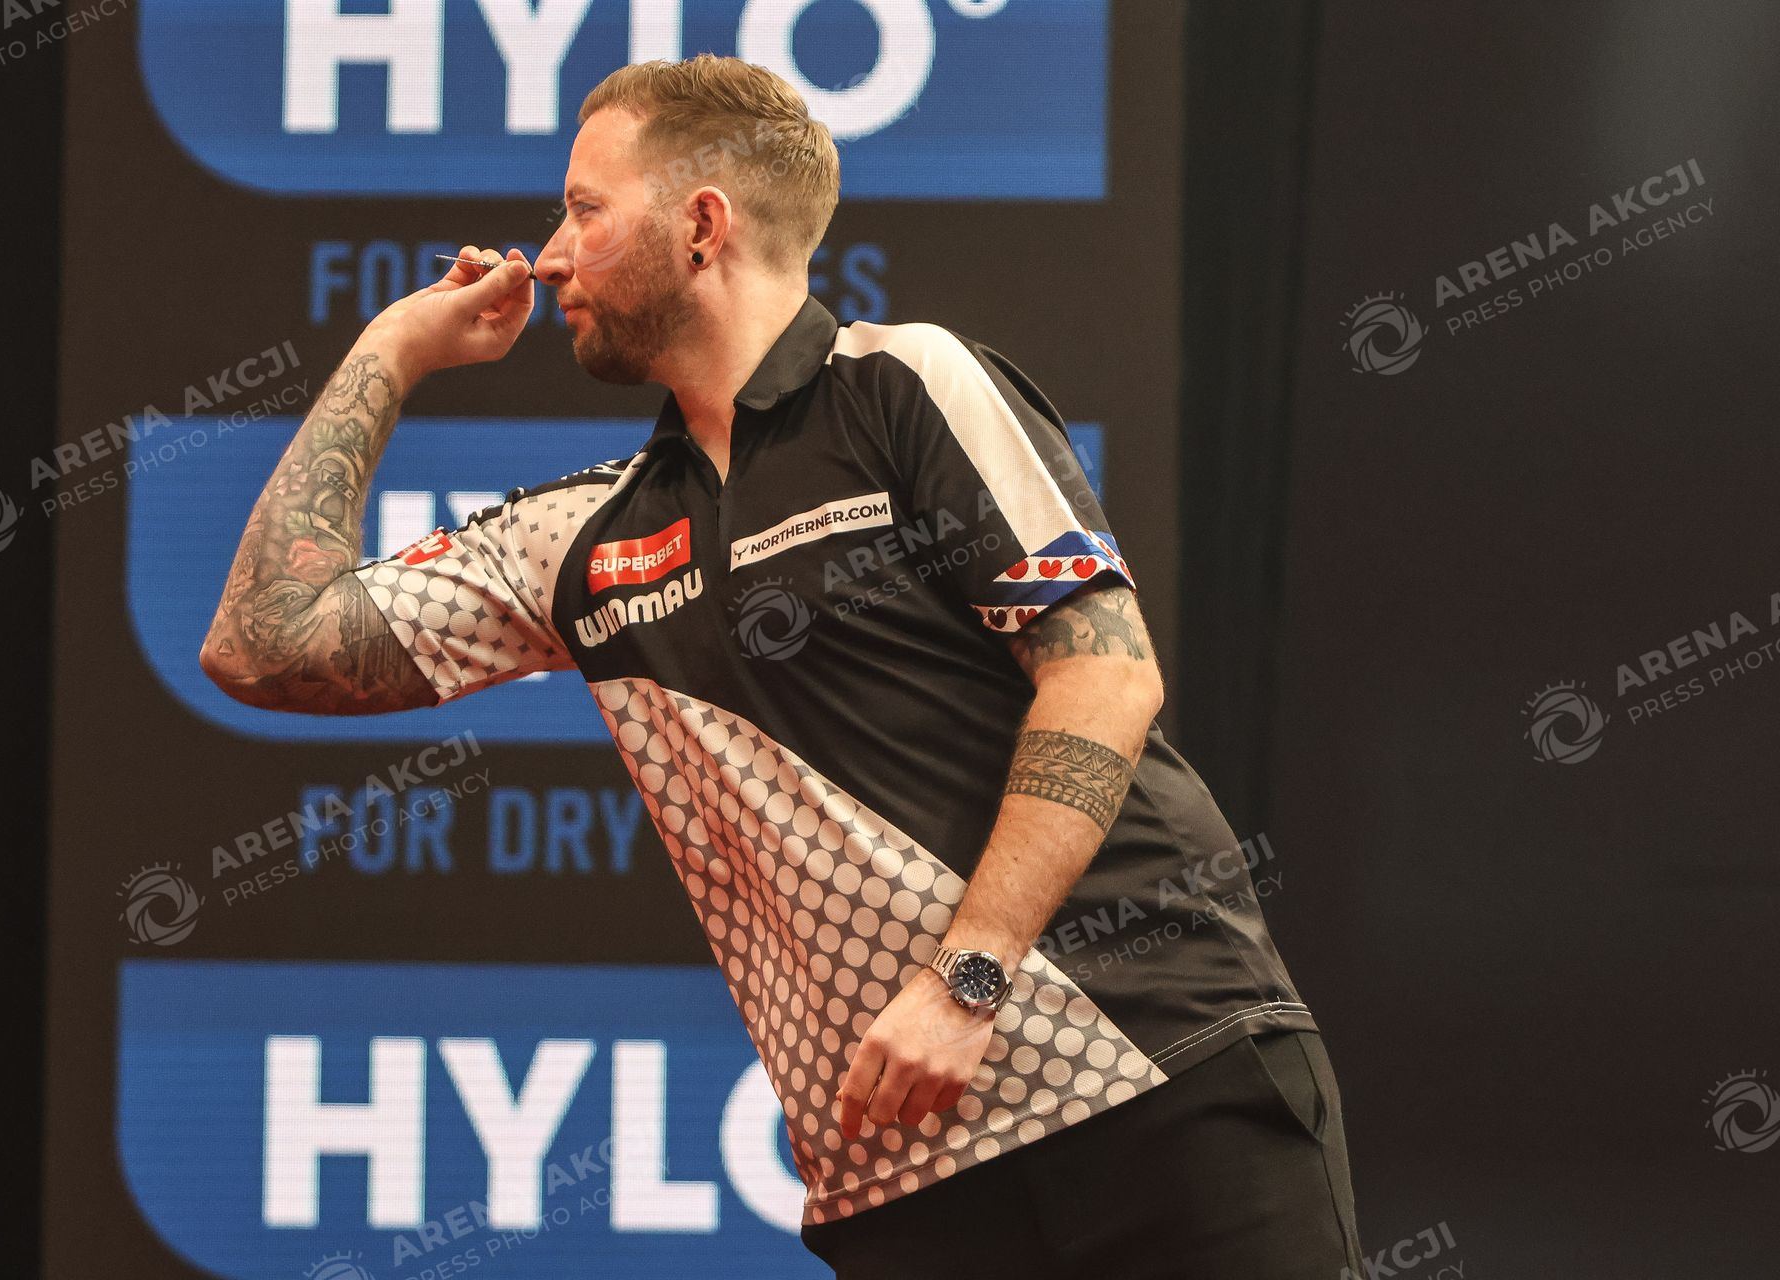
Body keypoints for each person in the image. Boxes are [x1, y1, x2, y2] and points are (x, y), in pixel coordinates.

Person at [199, 53, 1361, 1280]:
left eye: (585, 210)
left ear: (702, 226)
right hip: (903, 1170)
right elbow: (261, 644)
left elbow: (1105, 675)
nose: (548, 257)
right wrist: (391, 352)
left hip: (1156, 1073)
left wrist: (967, 980)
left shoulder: (905, 383)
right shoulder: (581, 538)